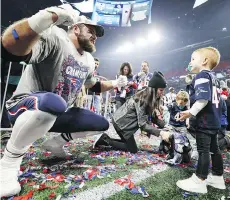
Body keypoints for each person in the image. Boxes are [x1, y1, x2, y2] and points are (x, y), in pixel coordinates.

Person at [0, 6, 128, 197]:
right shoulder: (57, 37)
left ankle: (55, 143)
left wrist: (115, 83)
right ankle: (9, 163)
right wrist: (42, 19)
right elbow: (10, 48)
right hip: (25, 105)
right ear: (76, 28)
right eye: (90, 31)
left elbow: (93, 86)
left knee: (101, 123)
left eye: (96, 34)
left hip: (56, 112)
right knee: (54, 102)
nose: (95, 37)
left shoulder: (89, 60)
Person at [176, 47, 226, 194]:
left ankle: (200, 179)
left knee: (203, 150)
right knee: (214, 150)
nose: (190, 62)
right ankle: (218, 177)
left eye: (192, 59)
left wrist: (190, 113)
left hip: (205, 120)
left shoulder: (202, 75)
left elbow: (203, 99)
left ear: (204, 61)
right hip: (214, 121)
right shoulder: (214, 77)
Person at [93, 72, 172, 153]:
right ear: (154, 89)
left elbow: (153, 118)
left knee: (129, 145)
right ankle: (105, 140)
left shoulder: (151, 97)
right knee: (132, 149)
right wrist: (161, 133)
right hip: (122, 124)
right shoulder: (143, 99)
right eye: (161, 90)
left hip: (123, 122)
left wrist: (166, 126)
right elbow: (143, 125)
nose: (162, 93)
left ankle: (105, 138)